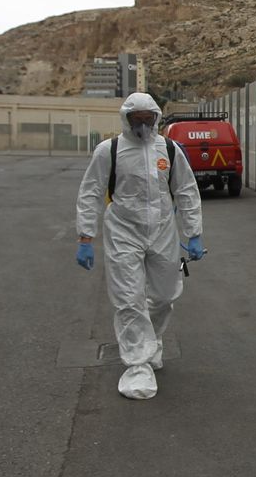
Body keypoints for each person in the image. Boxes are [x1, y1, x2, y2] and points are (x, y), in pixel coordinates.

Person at [75, 93, 203, 401]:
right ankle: (136, 365)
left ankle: (151, 339)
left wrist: (194, 233)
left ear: (156, 118)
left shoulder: (169, 149)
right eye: (137, 119)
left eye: (149, 119)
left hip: (162, 231)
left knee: (164, 296)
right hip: (123, 231)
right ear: (126, 119)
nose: (143, 125)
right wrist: (85, 238)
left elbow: (185, 189)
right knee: (129, 299)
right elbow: (91, 191)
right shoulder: (110, 150)